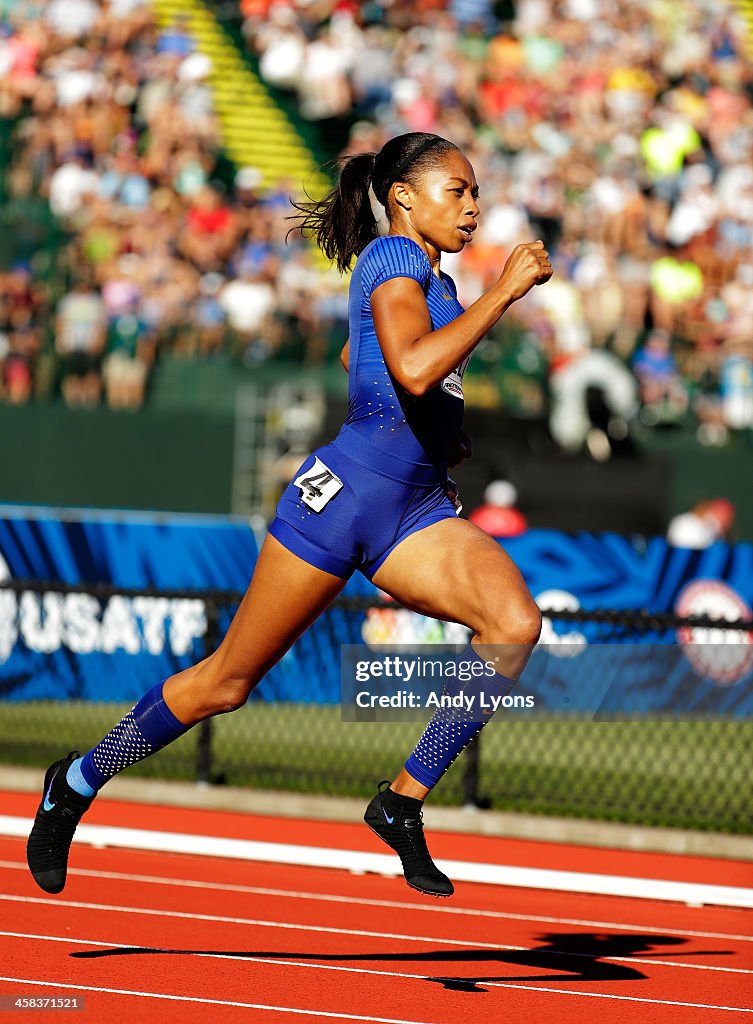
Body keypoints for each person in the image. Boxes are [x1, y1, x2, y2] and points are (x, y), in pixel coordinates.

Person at [27, 132, 552, 899]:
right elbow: (409, 365)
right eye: (457, 192)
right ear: (402, 197)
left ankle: (400, 801)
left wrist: (439, 425)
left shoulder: (432, 282)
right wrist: (502, 294)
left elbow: (362, 359)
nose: (472, 208)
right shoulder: (394, 259)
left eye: (475, 193)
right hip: (343, 501)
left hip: (412, 508)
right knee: (225, 682)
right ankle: (74, 781)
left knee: (512, 624)